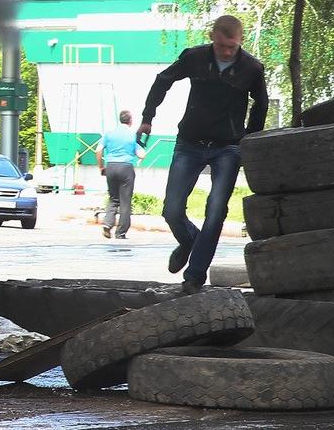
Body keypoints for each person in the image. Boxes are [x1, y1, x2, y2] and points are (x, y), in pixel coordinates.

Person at [139, 15, 268, 295]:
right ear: (212, 37)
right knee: (172, 209)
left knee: (215, 211)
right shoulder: (194, 57)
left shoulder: (251, 68)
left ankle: (194, 276)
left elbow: (261, 103)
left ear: (239, 42)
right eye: (221, 46)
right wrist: (148, 118)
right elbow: (162, 81)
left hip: (228, 146)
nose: (226, 52)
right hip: (190, 142)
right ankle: (188, 241)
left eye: (231, 47)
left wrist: (249, 138)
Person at [96, 109, 144, 240]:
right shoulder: (132, 135)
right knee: (125, 201)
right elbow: (141, 154)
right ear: (130, 121)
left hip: (110, 166)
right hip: (126, 168)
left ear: (120, 119)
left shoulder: (109, 134)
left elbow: (98, 150)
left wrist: (101, 166)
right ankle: (121, 232)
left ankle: (107, 224)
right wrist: (137, 156)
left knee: (113, 198)